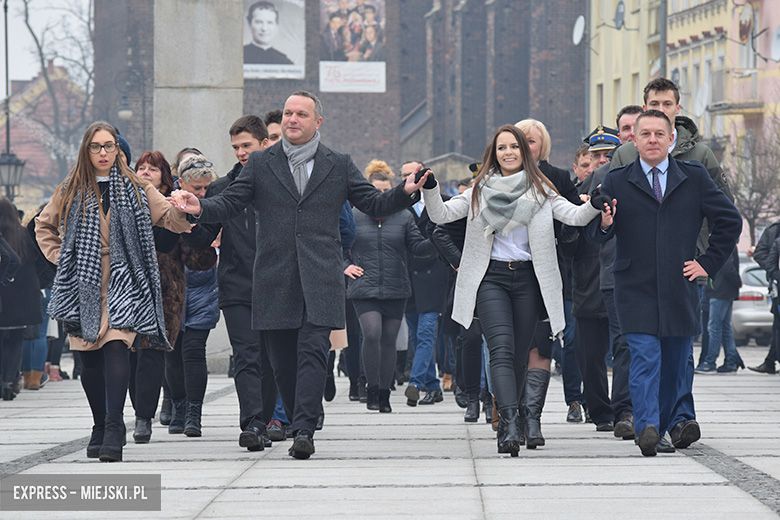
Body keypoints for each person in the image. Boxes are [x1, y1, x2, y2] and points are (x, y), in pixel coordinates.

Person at [170, 90, 430, 459]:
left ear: (317, 122)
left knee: (312, 351)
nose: (292, 119)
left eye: (301, 114)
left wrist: (405, 193)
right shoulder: (261, 164)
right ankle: (296, 418)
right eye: (289, 113)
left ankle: (304, 430)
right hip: (274, 276)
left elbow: (370, 202)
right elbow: (231, 201)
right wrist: (200, 205)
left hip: (320, 275)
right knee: (282, 361)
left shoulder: (337, 164)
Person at [420, 124, 608, 456]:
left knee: (521, 356)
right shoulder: (479, 189)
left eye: (514, 147)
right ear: (494, 154)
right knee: (501, 350)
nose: (508, 152)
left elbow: (576, 217)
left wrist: (595, 203)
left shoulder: (542, 190)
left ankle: (520, 416)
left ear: (525, 152)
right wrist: (431, 189)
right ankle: (507, 422)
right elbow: (441, 214)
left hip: (529, 281)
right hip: (490, 279)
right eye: (502, 147)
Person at [35, 121, 192, 462]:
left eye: (109, 146)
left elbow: (168, 217)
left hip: (124, 276)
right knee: (88, 359)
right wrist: (64, 259)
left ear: (118, 150)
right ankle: (98, 425)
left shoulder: (135, 187)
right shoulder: (72, 188)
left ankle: (114, 425)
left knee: (117, 347)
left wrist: (184, 208)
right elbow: (44, 225)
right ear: (86, 151)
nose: (103, 153)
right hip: (84, 281)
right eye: (96, 146)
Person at [588, 110, 742, 457]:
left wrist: (707, 263)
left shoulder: (694, 176)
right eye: (646, 134)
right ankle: (647, 427)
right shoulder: (617, 179)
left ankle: (666, 421)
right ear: (635, 140)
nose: (653, 140)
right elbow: (595, 236)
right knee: (644, 358)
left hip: (679, 285)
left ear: (671, 139)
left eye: (660, 134)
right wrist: (604, 223)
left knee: (674, 362)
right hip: (634, 285)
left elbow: (730, 221)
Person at [183, 115, 280, 451]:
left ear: (265, 143)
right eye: (236, 147)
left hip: (276, 285)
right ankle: (252, 423)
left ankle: (265, 420)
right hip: (236, 285)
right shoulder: (223, 189)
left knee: (271, 361)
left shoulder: (282, 186)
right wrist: (185, 218)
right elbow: (202, 239)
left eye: (247, 145)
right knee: (247, 355)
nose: (241, 152)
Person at [345, 160, 435, 413]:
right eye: (376, 192)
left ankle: (384, 393)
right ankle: (370, 387)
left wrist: (435, 241)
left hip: (396, 286)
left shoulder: (404, 216)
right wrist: (345, 265)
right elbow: (335, 244)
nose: (382, 196)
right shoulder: (353, 216)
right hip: (363, 286)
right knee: (371, 333)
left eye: (387, 191)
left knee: (388, 340)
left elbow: (417, 246)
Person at [515, 118, 582, 447]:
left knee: (542, 343)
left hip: (547, 272)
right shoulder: (497, 180)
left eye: (532, 141)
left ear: (543, 146)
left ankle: (534, 417)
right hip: (508, 273)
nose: (526, 147)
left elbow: (572, 226)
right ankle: (512, 413)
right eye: (520, 141)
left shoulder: (556, 179)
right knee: (514, 346)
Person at [164, 155, 219, 439]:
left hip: (203, 288)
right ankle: (179, 404)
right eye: (196, 187)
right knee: (173, 354)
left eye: (206, 187)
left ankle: (194, 413)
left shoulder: (214, 204)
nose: (201, 193)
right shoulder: (167, 204)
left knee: (194, 351)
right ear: (181, 182)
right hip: (173, 288)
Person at [400, 160, 451, 407]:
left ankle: (415, 382)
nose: (408, 179)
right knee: (416, 334)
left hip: (433, 278)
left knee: (426, 332)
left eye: (413, 174)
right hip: (408, 279)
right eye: (404, 175)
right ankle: (433, 386)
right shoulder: (397, 204)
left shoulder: (444, 202)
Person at [0, 198, 48, 399]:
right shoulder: (23, 235)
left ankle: (3, 380)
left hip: (4, 298)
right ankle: (10, 381)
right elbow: (42, 261)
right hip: (24, 299)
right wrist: (38, 284)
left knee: (3, 341)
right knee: (16, 342)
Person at [695, 248, 743, 373]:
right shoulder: (729, 241)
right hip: (726, 291)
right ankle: (731, 361)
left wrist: (737, 282)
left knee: (714, 327)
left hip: (719, 291)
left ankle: (710, 362)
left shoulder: (720, 241)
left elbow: (726, 267)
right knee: (725, 327)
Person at [748, 219, 780, 374]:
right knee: (778, 325)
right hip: (778, 287)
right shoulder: (774, 230)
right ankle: (770, 362)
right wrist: (775, 270)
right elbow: (760, 254)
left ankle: (770, 362)